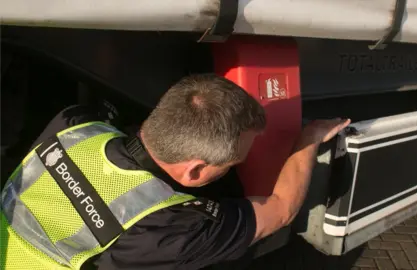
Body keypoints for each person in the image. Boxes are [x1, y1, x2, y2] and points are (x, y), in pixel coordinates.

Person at [0, 74, 350, 270]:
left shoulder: (76, 123)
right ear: (195, 170)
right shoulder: (169, 229)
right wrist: (310, 137)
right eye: (233, 163)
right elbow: (282, 208)